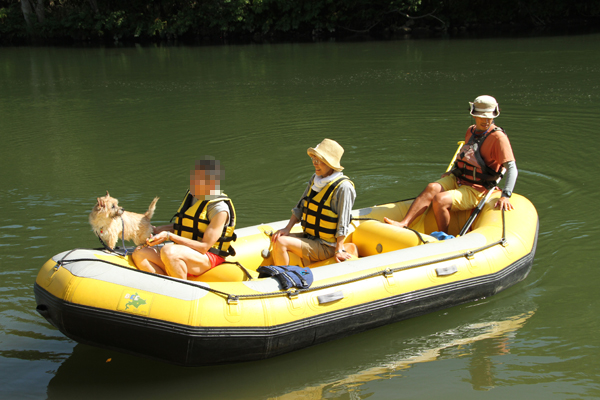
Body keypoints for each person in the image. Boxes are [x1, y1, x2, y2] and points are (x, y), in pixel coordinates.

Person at [385, 95, 518, 233]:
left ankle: (444, 236)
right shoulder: (471, 130)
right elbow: (467, 155)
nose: (486, 120)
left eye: (489, 117)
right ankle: (404, 223)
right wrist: (453, 171)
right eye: (481, 116)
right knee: (432, 187)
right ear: (474, 115)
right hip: (459, 179)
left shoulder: (499, 138)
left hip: (477, 189)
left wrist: (505, 195)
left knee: (440, 200)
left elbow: (512, 168)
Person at [132, 157, 236, 279]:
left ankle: (181, 291)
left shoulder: (219, 209)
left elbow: (204, 247)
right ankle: (166, 286)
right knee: (140, 253)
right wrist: (155, 230)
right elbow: (187, 226)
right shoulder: (193, 195)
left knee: (169, 251)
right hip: (185, 251)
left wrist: (168, 236)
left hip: (208, 257)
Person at [271, 138, 357, 266]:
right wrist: (288, 228)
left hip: (327, 245)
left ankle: (285, 279)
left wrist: (339, 248)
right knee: (277, 238)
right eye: (313, 159)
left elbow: (343, 221)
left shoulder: (343, 187)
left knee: (282, 242)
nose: (314, 163)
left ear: (330, 163)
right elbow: (301, 205)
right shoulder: (315, 179)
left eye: (319, 160)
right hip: (310, 237)